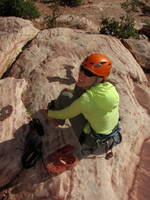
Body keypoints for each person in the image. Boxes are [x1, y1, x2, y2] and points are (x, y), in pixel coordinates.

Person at [47, 53, 122, 159]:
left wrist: (49, 113)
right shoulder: (110, 88)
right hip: (111, 136)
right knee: (78, 87)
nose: (81, 74)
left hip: (93, 142)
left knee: (65, 96)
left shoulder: (86, 100)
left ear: (99, 79)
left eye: (88, 73)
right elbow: (82, 91)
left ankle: (57, 122)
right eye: (82, 69)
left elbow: (64, 113)